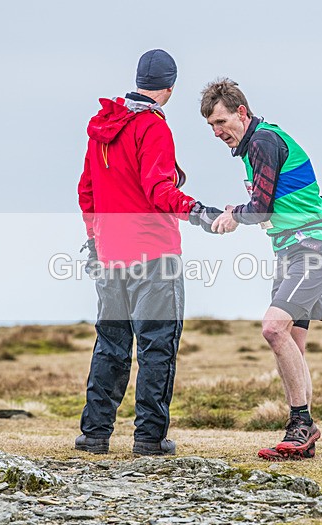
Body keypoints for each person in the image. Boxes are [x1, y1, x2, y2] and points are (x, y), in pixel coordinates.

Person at [75, 49, 222, 456]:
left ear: (138, 80)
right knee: (157, 345)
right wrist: (199, 212)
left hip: (109, 255)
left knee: (111, 345)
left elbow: (86, 192)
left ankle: (94, 434)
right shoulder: (152, 126)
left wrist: (94, 241)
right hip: (154, 255)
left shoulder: (101, 129)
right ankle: (149, 438)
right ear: (170, 87)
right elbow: (160, 191)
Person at [200, 78, 322, 461]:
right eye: (211, 126)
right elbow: (278, 201)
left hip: (311, 250)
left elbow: (260, 207)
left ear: (241, 112)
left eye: (221, 122)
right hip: (290, 252)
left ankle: (301, 424)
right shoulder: (255, 147)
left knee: (272, 328)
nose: (217, 132)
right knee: (292, 344)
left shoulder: (262, 141)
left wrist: (234, 215)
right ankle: (303, 436)